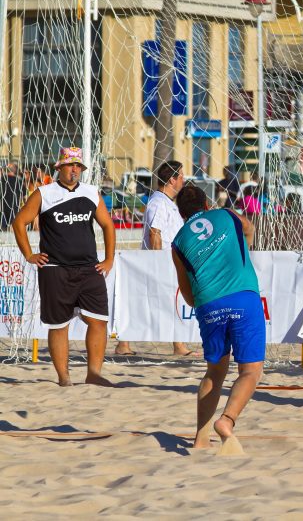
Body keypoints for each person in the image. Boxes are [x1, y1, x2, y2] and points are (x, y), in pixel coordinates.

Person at [11, 147, 116, 387]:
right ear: (59, 168)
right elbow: (20, 222)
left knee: (98, 321)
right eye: (70, 165)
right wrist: (29, 254)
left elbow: (108, 226)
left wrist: (109, 259)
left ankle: (94, 374)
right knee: (59, 325)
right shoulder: (43, 193)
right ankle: (64, 378)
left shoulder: (91, 192)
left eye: (78, 166)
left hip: (89, 268)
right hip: (56, 269)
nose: (75, 169)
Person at [170, 185, 264, 452]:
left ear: (181, 213)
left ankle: (200, 439)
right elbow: (249, 228)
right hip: (243, 296)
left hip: (209, 305)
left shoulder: (178, 242)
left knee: (215, 372)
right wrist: (243, 250)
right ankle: (227, 420)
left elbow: (187, 296)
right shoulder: (227, 215)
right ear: (207, 204)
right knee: (250, 370)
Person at [114, 161, 199, 357]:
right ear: (172, 180)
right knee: (140, 302)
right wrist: (157, 261)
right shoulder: (158, 202)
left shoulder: (167, 203)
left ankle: (178, 346)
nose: (184, 181)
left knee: (170, 303)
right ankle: (123, 344)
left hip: (170, 261)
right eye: (181, 177)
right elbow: (154, 233)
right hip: (159, 262)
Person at [1, 163, 25, 231]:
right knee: (13, 228)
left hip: (2, 207)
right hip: (15, 207)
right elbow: (24, 195)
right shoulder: (19, 181)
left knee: (3, 228)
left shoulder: (1, 179)